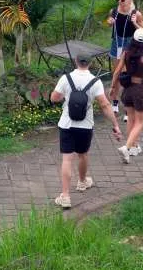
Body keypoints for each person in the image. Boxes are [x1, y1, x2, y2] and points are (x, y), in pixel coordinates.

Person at [50, 54, 121, 209]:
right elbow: (104, 105)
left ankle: (66, 196)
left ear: (75, 62)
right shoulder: (95, 82)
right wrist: (115, 124)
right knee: (83, 154)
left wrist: (64, 95)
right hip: (85, 125)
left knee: (67, 160)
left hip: (67, 124)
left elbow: (54, 98)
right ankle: (82, 182)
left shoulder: (66, 78)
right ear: (90, 63)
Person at [110, 28, 143, 162]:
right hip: (140, 90)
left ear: (133, 39)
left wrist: (112, 87)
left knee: (131, 119)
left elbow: (117, 72)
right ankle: (127, 147)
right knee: (140, 121)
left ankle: (134, 147)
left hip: (127, 90)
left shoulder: (126, 52)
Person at [105, 0, 143, 112]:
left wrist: (134, 23)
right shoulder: (114, 11)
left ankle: (129, 104)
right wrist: (109, 22)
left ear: (129, 0)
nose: (120, 2)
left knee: (128, 75)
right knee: (116, 74)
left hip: (129, 44)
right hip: (117, 42)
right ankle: (115, 102)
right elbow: (109, 23)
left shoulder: (136, 14)